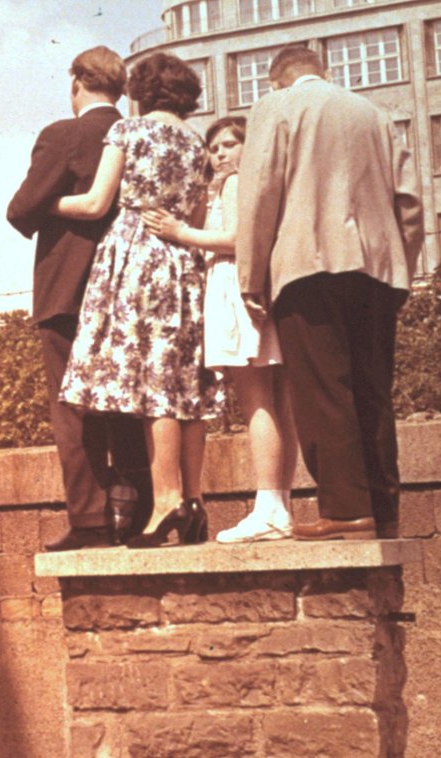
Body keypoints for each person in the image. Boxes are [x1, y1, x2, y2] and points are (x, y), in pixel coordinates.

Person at [237, 47, 424, 540]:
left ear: (277, 80)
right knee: (371, 390)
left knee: (322, 389)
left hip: (306, 265)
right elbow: (410, 202)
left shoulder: (274, 108)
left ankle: (344, 510)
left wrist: (250, 276)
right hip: (378, 270)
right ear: (326, 73)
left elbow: (259, 194)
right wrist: (400, 270)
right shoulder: (374, 114)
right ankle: (383, 508)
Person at [52, 52, 223, 548]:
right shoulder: (197, 144)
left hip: (136, 257)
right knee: (184, 382)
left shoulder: (128, 131)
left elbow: (95, 203)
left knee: (153, 384)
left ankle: (166, 502)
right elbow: (194, 214)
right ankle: (194, 501)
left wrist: (47, 203)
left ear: (141, 90)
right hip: (181, 259)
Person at [6, 46, 153, 550]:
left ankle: (90, 520)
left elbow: (21, 209)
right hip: (131, 289)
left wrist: (52, 204)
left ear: (77, 84)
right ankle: (136, 512)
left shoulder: (64, 134)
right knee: (128, 402)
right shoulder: (141, 136)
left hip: (68, 291)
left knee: (72, 408)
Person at [142, 117, 298, 543]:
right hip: (263, 289)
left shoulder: (234, 185)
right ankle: (279, 505)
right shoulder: (261, 185)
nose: (220, 154)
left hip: (234, 286)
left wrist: (181, 232)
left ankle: (268, 508)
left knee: (257, 400)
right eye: (214, 148)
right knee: (279, 404)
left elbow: (235, 238)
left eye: (230, 143)